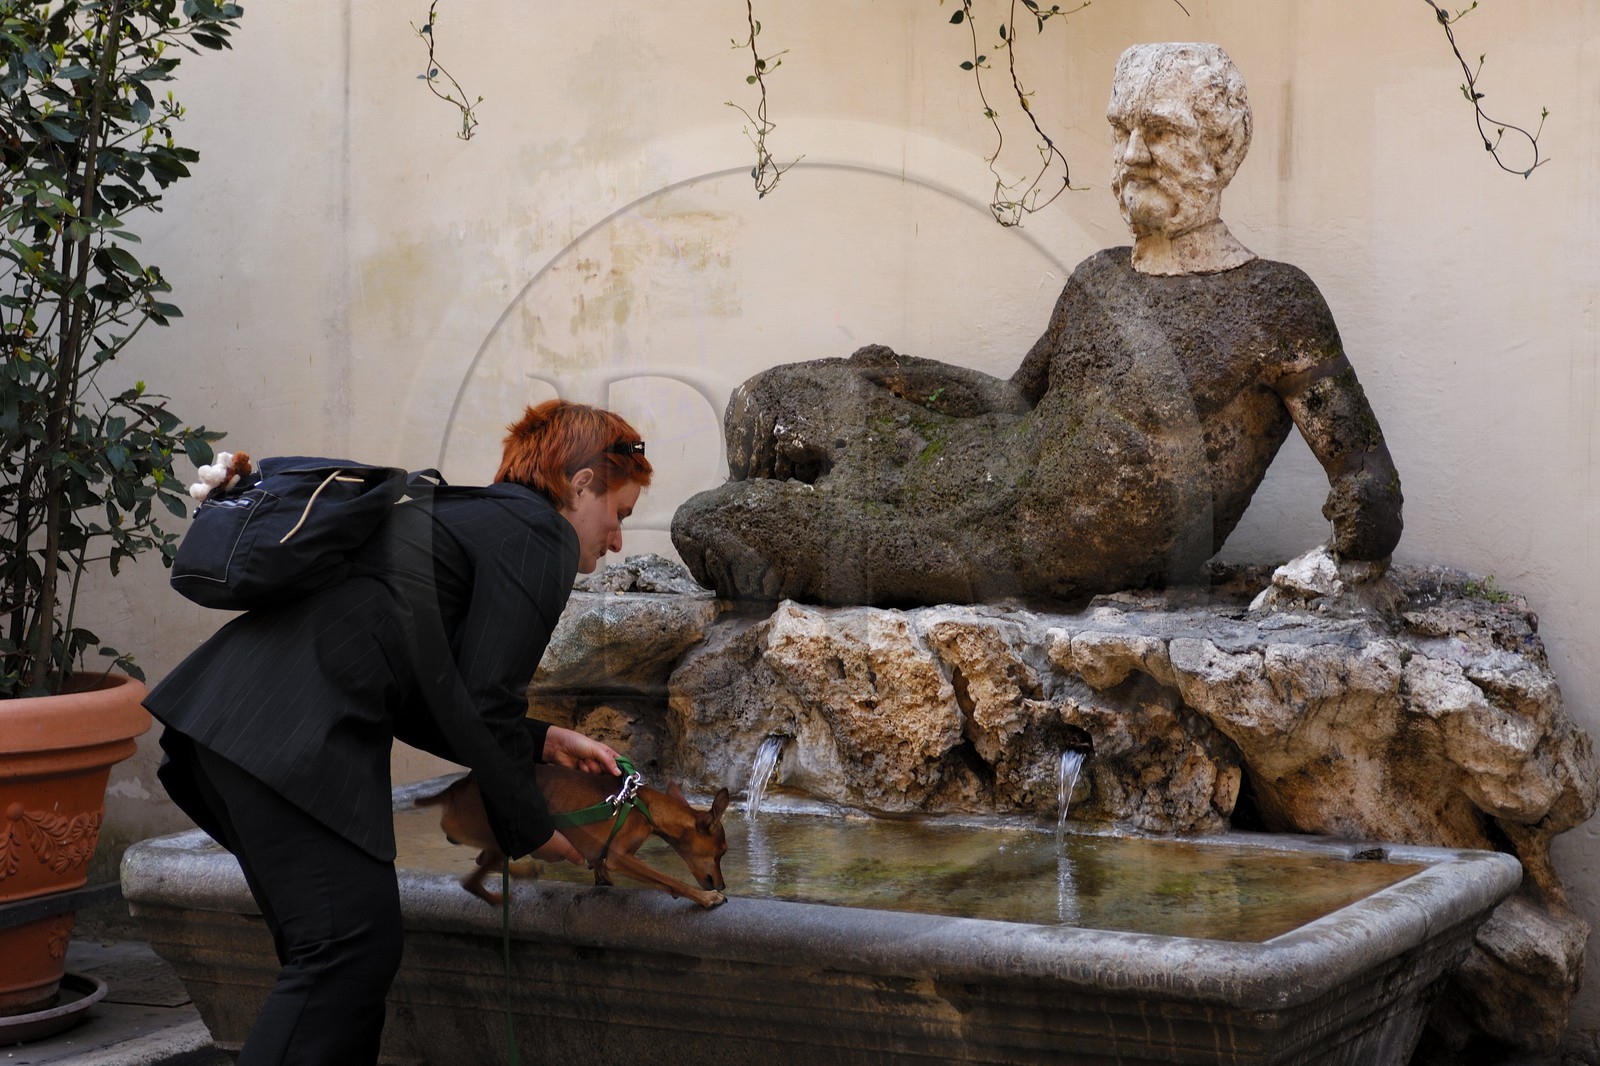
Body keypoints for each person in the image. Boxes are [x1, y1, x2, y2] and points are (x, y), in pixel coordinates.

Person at [672, 43, 1402, 607]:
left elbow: (1366, 473)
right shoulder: (1099, 276)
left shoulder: (1274, 302)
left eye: (1161, 132)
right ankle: (838, 508)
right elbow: (1014, 403)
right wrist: (900, 377)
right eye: (1122, 131)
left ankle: (829, 527)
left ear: (1223, 148)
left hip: (1008, 547)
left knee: (716, 521)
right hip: (981, 466)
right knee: (770, 398)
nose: (1133, 154)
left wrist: (1354, 544)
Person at [145, 399, 652, 1065]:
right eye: (619, 513)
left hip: (231, 726)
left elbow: (435, 691)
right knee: (344, 954)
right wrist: (531, 828)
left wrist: (541, 742)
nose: (617, 539)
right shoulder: (539, 533)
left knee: (335, 959)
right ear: (582, 483)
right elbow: (487, 696)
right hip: (286, 738)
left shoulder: (473, 518)